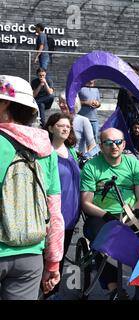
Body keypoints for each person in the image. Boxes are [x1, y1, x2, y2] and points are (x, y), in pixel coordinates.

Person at [0, 75, 64, 300]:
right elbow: (54, 212)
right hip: (31, 255)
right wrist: (54, 262)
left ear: (5, 103)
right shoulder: (45, 148)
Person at [80, 128, 139, 300]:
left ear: (124, 144)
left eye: (118, 142)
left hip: (130, 213)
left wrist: (131, 214)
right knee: (104, 241)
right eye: (108, 143)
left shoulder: (133, 164)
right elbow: (86, 203)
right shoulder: (91, 167)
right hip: (101, 215)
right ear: (101, 146)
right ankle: (113, 288)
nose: (114, 146)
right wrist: (107, 216)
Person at [43, 112, 81, 300]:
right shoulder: (44, 152)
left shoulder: (72, 152)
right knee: (47, 261)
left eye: (68, 126)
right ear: (50, 128)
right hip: (51, 216)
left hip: (71, 215)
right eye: (60, 125)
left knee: (60, 257)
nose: (65, 128)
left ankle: (53, 294)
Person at [117, 63, 139, 129]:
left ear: (138, 71)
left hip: (135, 110)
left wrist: (133, 94)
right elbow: (120, 97)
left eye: (132, 69)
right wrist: (117, 109)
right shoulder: (125, 80)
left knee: (134, 131)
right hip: (124, 109)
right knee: (123, 130)